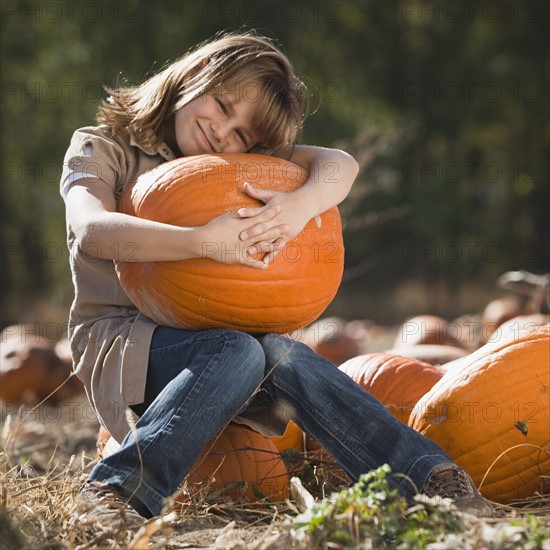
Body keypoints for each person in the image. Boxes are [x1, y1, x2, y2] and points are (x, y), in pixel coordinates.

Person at [61, 32, 492, 527]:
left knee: (278, 352)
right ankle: (114, 493)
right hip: (123, 344)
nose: (224, 135)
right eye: (222, 106)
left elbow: (338, 164)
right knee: (241, 350)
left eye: (245, 136)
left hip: (222, 346)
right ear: (191, 76)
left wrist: (301, 204)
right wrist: (202, 241)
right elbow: (92, 231)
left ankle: (423, 477)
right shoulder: (104, 148)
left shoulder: (233, 165)